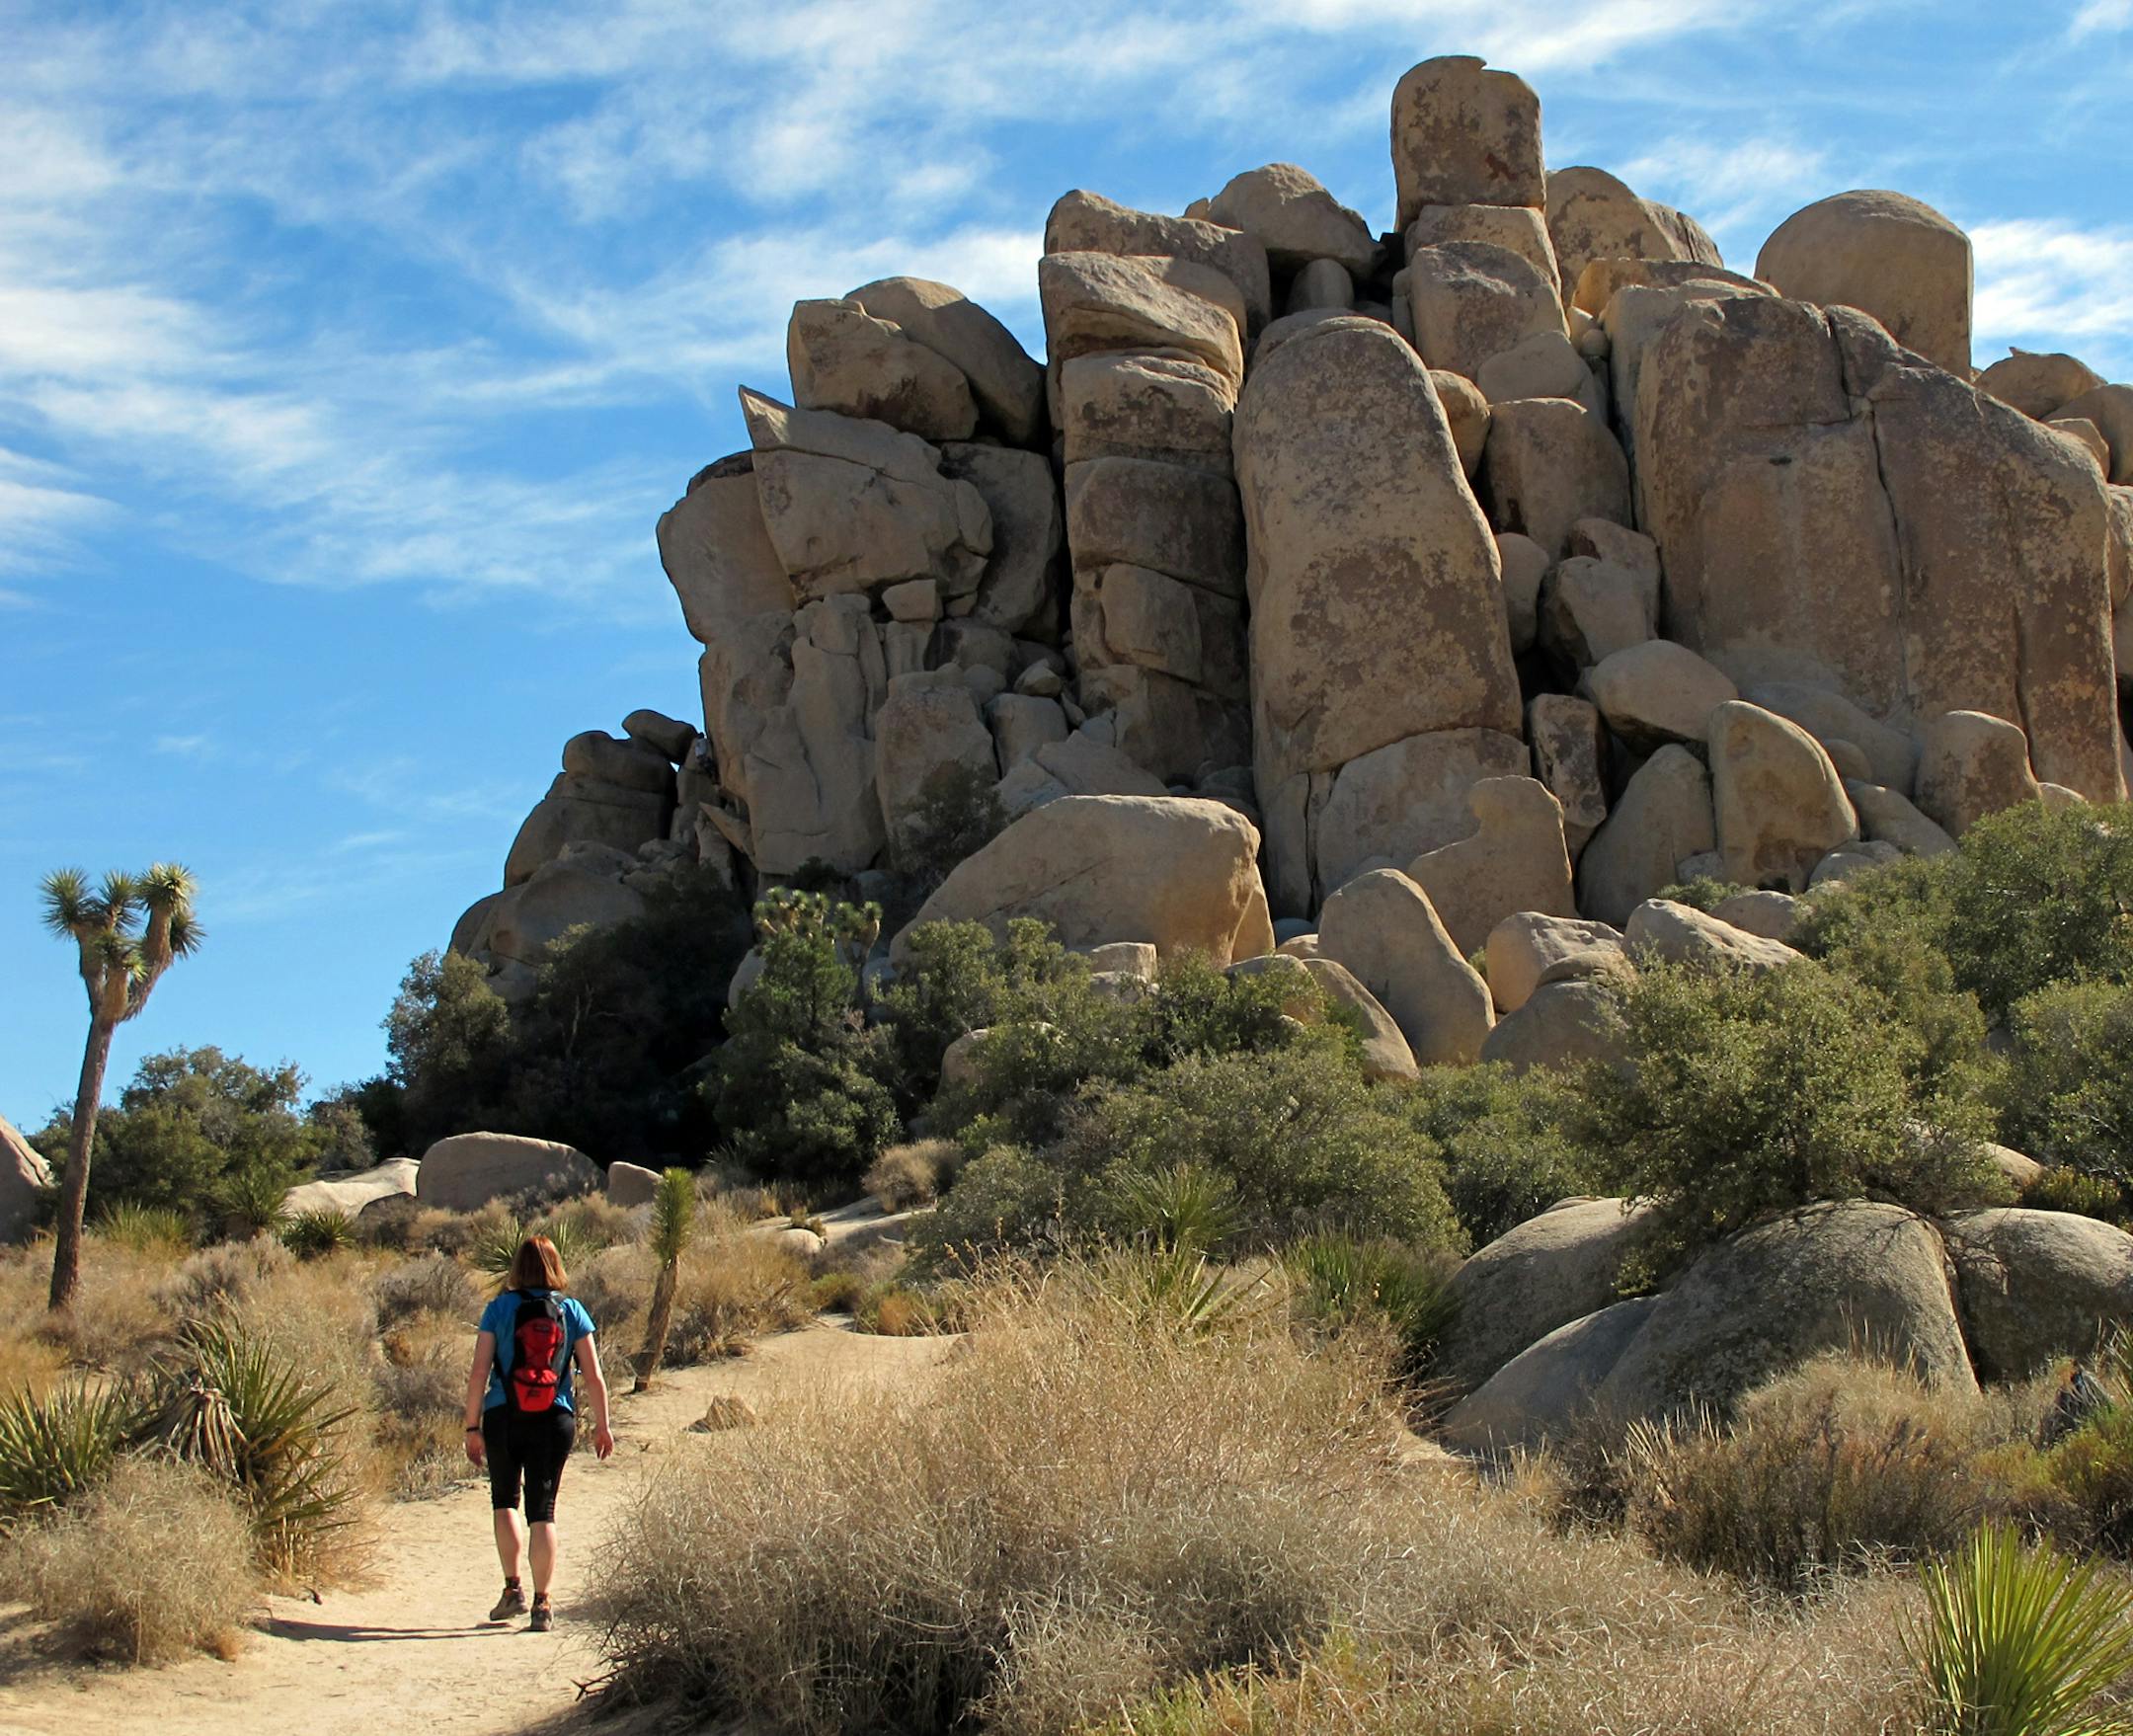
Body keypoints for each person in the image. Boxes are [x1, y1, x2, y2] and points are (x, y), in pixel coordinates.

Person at [463, 1233, 613, 1630]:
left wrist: (471, 1425)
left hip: (502, 1415)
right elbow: (594, 1376)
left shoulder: (497, 1309)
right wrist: (603, 1426)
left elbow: (479, 1373)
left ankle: (513, 1589)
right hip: (554, 1417)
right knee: (543, 1510)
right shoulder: (572, 1310)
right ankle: (543, 1604)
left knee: (504, 1501)